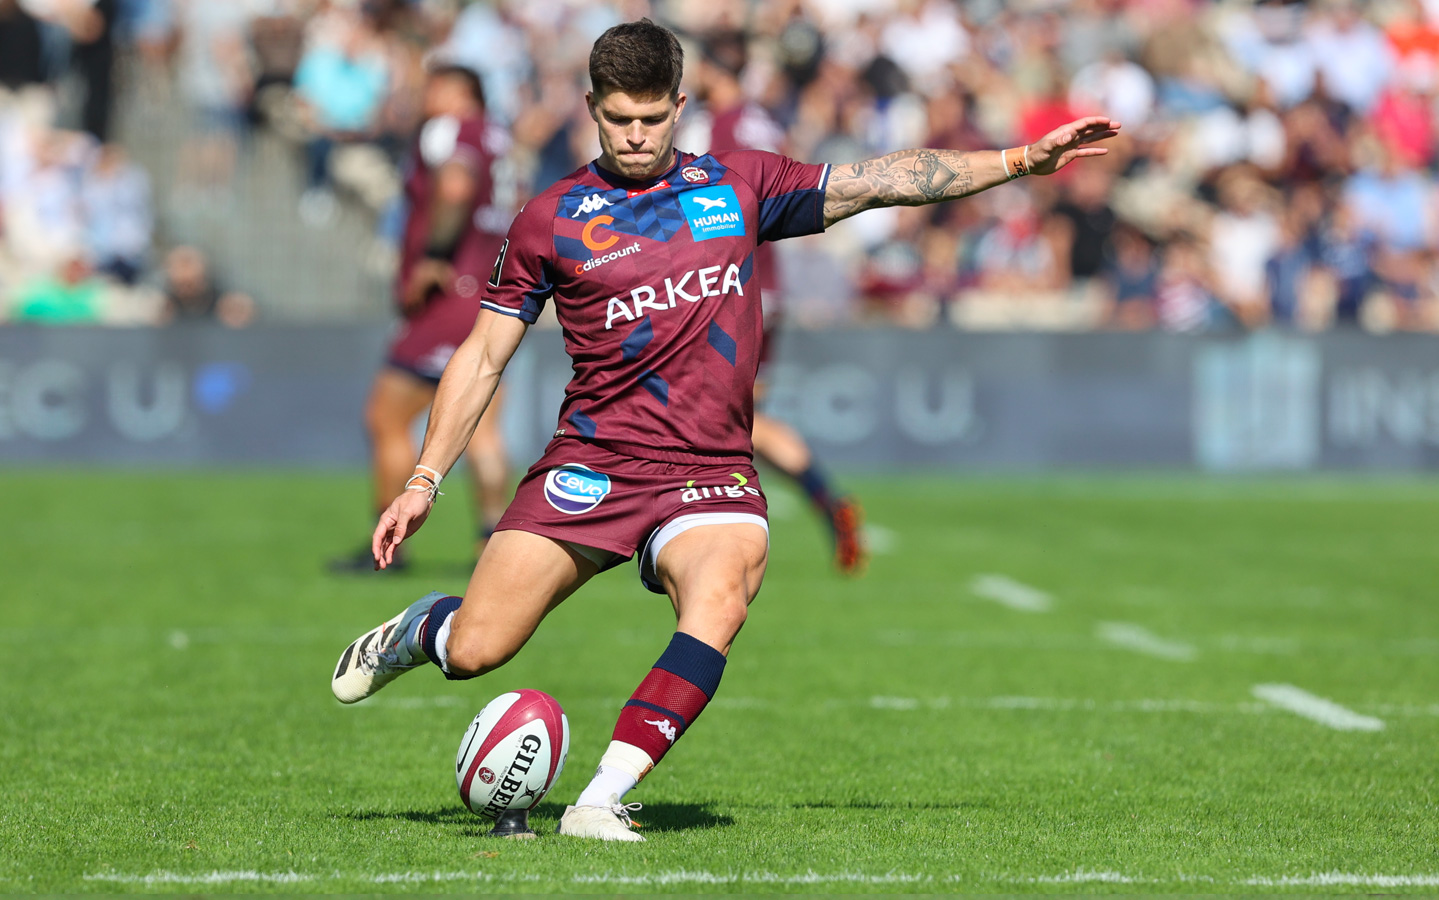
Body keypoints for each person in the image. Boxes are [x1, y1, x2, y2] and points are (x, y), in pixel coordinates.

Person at [330, 19, 1117, 841]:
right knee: (478, 650)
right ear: (592, 108)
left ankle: (600, 800)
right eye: (618, 119)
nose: (636, 135)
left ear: (680, 107)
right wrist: (424, 480)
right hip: (593, 463)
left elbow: (883, 180)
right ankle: (425, 629)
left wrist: (1018, 161)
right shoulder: (549, 219)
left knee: (722, 591)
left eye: (652, 118)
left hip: (709, 471)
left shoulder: (739, 185)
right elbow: (484, 355)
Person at [328, 64, 513, 572]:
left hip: (447, 296)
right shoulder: (499, 137)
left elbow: (454, 187)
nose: (425, 96)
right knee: (483, 427)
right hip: (491, 293)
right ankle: (490, 542)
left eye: (434, 86)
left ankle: (389, 543)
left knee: (386, 417)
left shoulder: (451, 131)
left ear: (459, 92)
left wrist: (432, 256)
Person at [696, 29, 864, 574]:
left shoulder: (724, 125)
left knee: (726, 415)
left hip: (736, 284)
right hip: (768, 280)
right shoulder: (761, 119)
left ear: (712, 69)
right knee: (744, 416)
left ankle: (811, 503)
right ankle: (827, 502)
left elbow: (714, 212)